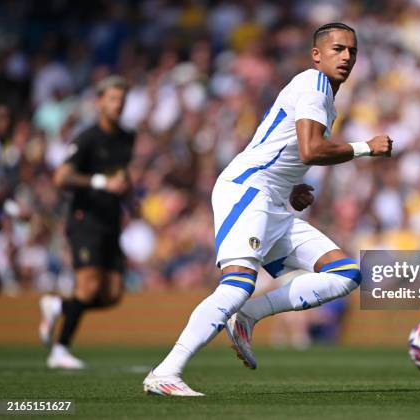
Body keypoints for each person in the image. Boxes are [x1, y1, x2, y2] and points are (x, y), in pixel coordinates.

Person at [143, 22, 392, 396]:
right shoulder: (315, 84)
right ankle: (166, 372)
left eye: (352, 51)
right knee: (239, 283)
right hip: (248, 189)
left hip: (272, 198)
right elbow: (310, 150)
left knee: (345, 273)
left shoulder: (325, 97)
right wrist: (365, 147)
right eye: (338, 49)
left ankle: (249, 316)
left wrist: (292, 188)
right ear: (316, 55)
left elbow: (284, 149)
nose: (346, 57)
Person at [38, 76, 134, 369]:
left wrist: (129, 196)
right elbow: (61, 177)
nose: (118, 105)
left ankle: (58, 306)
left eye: (122, 99)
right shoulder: (87, 138)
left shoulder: (127, 137)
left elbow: (122, 176)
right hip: (86, 219)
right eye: (113, 99)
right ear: (99, 102)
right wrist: (102, 182)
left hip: (111, 220)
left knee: (113, 294)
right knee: (89, 286)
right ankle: (60, 350)